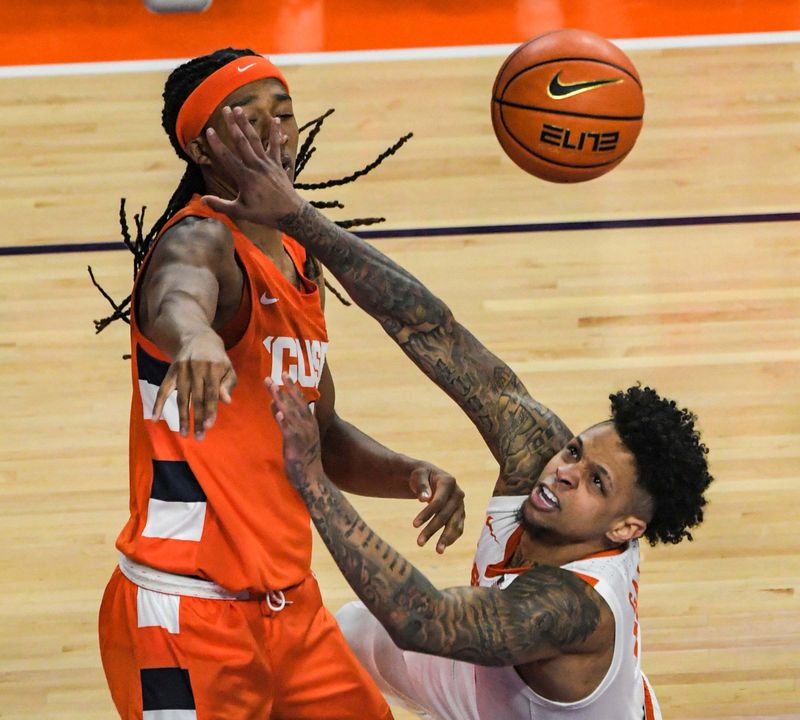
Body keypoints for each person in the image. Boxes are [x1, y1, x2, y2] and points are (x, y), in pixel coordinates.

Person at [201, 106, 714, 719]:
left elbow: (423, 619)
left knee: (397, 620)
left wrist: (310, 477)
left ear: (624, 528)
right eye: (577, 450)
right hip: (478, 671)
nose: (566, 469)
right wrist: (297, 218)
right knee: (338, 637)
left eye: (595, 482)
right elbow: (426, 325)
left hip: (487, 666)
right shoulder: (538, 454)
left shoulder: (569, 609)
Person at [95, 48, 467, 720]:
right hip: (187, 616)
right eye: (246, 118)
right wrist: (197, 336)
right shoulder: (199, 242)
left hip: (292, 613)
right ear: (203, 147)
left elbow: (322, 436)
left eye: (284, 113)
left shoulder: (299, 261)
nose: (272, 131)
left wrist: (410, 472)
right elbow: (179, 296)